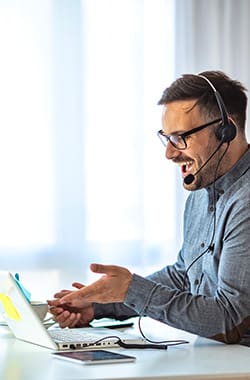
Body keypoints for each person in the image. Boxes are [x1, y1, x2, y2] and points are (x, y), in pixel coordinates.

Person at [48, 70, 250, 345]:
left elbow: (229, 320)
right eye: (166, 138)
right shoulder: (201, 193)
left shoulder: (245, 202)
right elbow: (184, 275)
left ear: (226, 130)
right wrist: (103, 303)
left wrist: (132, 290)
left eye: (181, 137)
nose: (169, 152)